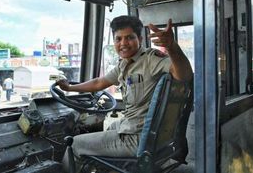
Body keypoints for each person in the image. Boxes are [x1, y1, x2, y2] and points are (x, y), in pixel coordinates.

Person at [57, 15, 193, 172]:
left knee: (74, 144)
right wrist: (69, 88)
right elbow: (99, 83)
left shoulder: (150, 59)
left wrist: (172, 46)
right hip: (136, 129)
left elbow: (184, 75)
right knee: (111, 127)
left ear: (140, 39)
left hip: (138, 138)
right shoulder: (124, 64)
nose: (123, 43)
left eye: (129, 38)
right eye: (118, 39)